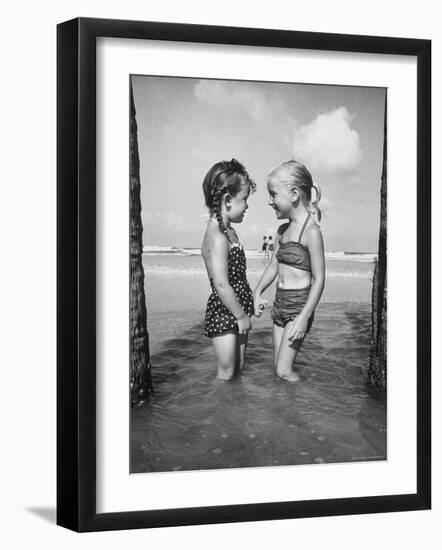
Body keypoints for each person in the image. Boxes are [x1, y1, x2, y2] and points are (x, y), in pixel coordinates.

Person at [253, 160, 325, 382]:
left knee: (284, 371)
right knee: (278, 369)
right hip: (279, 304)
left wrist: (304, 317)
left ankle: (306, 405)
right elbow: (273, 266)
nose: (270, 201)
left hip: (298, 307)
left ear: (294, 194)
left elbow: (320, 279)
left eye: (273, 194)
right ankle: (285, 410)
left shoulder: (310, 232)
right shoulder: (282, 231)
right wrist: (257, 292)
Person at [201, 159, 256, 380]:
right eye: (244, 199)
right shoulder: (217, 236)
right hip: (226, 311)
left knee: (239, 366)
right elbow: (221, 284)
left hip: (239, 306)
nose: (247, 206)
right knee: (226, 372)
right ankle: (219, 411)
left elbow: (238, 277)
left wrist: (251, 301)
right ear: (227, 200)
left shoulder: (230, 232)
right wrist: (240, 315)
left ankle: (236, 411)